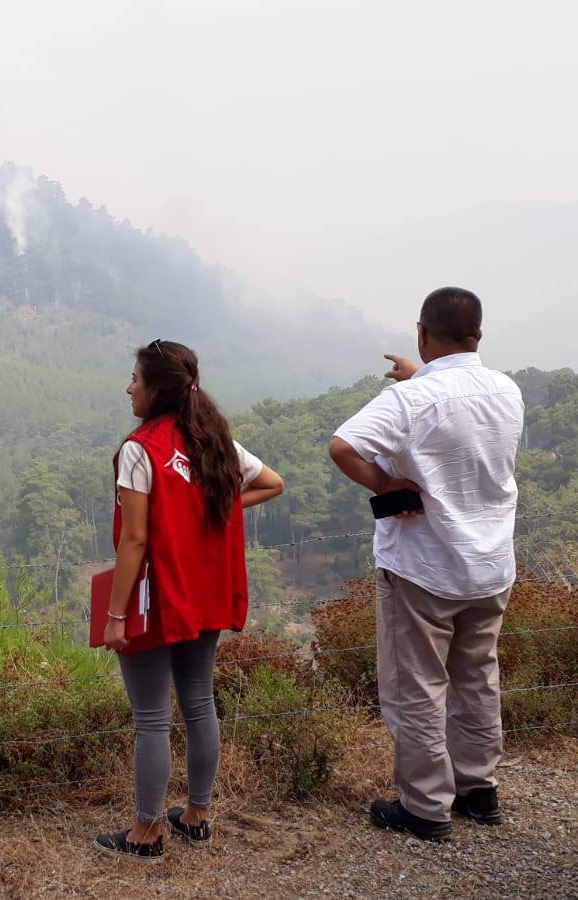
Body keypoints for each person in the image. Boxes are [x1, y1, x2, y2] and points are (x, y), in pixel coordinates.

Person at [328, 287, 525, 842]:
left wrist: (388, 483)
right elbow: (457, 415)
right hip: (489, 565)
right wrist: (421, 378)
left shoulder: (410, 401)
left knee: (417, 686)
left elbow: (342, 446)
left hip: (423, 566)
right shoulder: (507, 391)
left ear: (421, 333)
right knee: (477, 677)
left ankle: (424, 807)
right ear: (478, 335)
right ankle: (478, 789)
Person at [94, 339, 285, 860]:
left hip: (156, 597)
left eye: (135, 378)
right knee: (199, 702)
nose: (129, 387)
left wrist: (115, 617)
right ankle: (197, 815)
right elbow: (272, 483)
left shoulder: (140, 450)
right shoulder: (213, 440)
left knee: (152, 716)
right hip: (206, 593)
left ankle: (147, 832)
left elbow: (133, 541)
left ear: (156, 389)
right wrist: (211, 509)